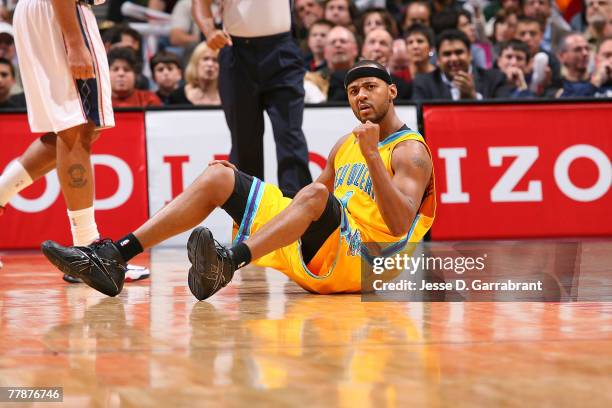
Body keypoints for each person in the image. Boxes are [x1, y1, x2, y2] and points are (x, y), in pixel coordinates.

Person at [40, 60, 437, 301]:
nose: (360, 96)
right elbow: (312, 203)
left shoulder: (410, 151)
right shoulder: (344, 144)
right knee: (220, 177)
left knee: (315, 192)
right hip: (327, 247)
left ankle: (229, 261)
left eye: (369, 88)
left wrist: (371, 156)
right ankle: (115, 257)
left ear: (392, 91)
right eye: (353, 91)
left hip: (363, 264)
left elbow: (400, 227)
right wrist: (251, 196)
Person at [0, 0, 148, 283]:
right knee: (77, 129)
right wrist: (75, 42)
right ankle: (88, 250)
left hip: (42, 14)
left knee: (71, 129)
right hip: (63, 12)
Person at [192, 0, 312, 195]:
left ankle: (299, 213)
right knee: (244, 144)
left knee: (289, 136)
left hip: (281, 48)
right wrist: (209, 30)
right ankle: (249, 217)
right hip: (236, 51)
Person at [413, 29, 511, 100]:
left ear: (470, 55)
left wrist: (474, 97)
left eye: (459, 52)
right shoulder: (423, 84)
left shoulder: (495, 79)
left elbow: (502, 116)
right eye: (447, 54)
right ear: (438, 60)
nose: (454, 58)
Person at [169, 41, 220, 105]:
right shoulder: (176, 96)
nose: (210, 64)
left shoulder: (230, 97)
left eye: (215, 60)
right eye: (205, 59)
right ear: (195, 63)